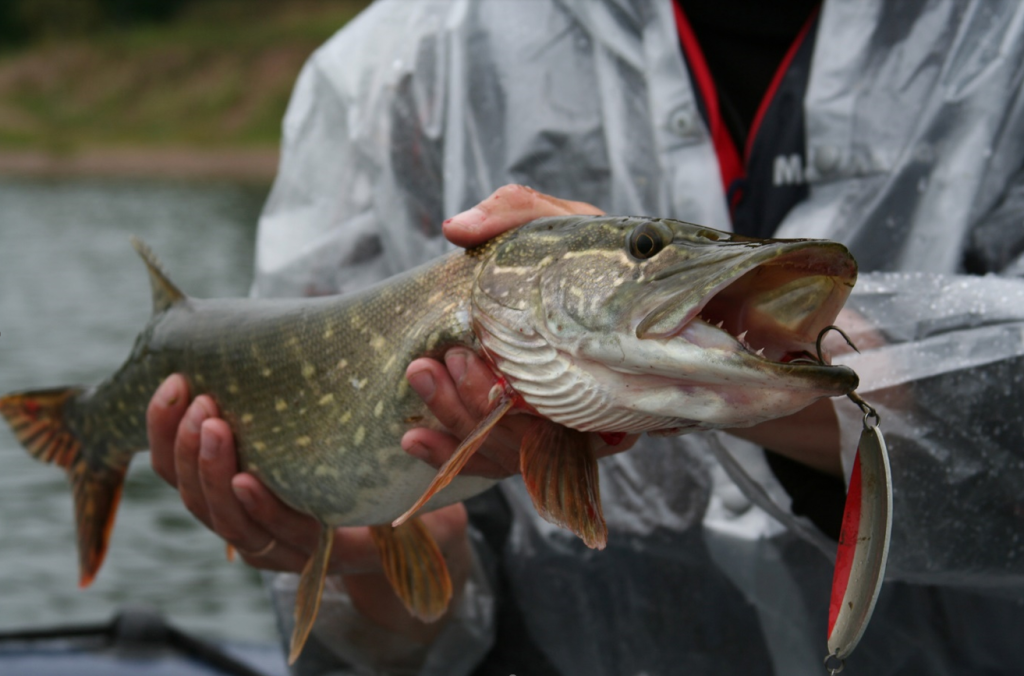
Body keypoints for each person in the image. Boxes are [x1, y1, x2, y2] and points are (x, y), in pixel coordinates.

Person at [147, 1, 1024, 674]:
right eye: (642, 251)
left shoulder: (997, 38)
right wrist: (381, 571)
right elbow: (405, 637)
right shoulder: (402, 65)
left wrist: (813, 375)